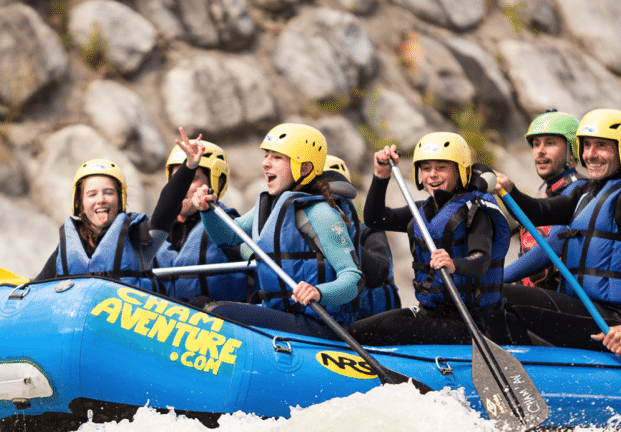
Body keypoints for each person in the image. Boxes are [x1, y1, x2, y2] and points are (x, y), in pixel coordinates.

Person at [496, 108, 621, 357]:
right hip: (582, 308)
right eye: (586, 146)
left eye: (601, 146)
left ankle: (521, 368)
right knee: (490, 291)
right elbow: (539, 212)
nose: (590, 155)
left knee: (501, 296)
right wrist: (510, 190)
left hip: (612, 320)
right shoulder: (588, 192)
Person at [349, 132, 523, 346]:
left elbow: (481, 260)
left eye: (441, 167)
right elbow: (376, 219)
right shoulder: (422, 210)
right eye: (426, 168)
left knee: (389, 329)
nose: (432, 175)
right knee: (357, 330)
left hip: (470, 322)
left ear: (461, 171)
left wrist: (453, 264)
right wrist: (381, 175)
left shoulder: (476, 212)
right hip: (429, 314)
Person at [189, 123, 363, 335]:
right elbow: (228, 238)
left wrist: (318, 292)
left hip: (320, 325)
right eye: (266, 155)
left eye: (277, 157)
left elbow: (352, 280)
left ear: (305, 168)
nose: (265, 164)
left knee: (214, 313)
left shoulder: (321, 213)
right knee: (201, 304)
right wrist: (207, 211)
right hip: (283, 314)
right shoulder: (272, 207)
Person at [35, 128, 208, 291]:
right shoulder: (65, 249)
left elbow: (167, 207)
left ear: (120, 200)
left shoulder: (138, 238)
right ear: (79, 203)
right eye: (92, 194)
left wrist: (189, 167)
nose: (101, 200)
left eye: (109, 193)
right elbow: (35, 287)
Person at [154, 141, 253, 305]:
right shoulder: (158, 230)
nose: (181, 187)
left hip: (220, 321)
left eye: (191, 179)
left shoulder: (230, 227)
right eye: (177, 180)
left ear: (217, 183)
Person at [503, 110, 586, 290]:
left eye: (550, 143)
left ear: (572, 152)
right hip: (532, 297)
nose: (540, 151)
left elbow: (553, 244)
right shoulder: (546, 196)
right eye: (536, 143)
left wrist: (500, 278)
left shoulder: (580, 191)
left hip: (563, 300)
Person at [322, 155, 402, 319]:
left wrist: (340, 236)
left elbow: (378, 274)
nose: (331, 208)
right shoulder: (301, 232)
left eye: (338, 201)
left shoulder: (369, 232)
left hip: (368, 320)